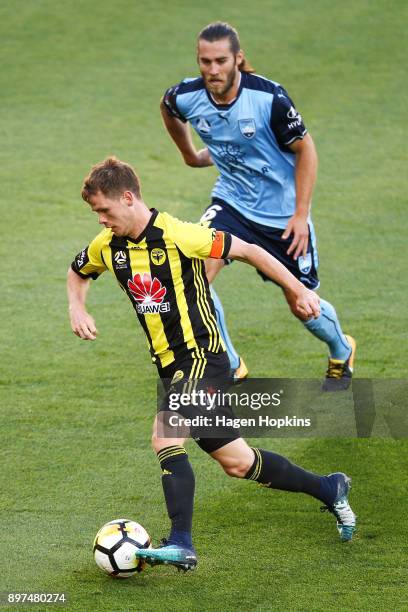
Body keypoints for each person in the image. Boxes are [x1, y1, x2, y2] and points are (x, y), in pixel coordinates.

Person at [67, 157, 356, 572]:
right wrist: (77, 308)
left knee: (164, 435)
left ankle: (182, 541)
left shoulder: (181, 235)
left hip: (204, 358)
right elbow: (78, 272)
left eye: (104, 210)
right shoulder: (107, 246)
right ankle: (330, 488)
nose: (100, 219)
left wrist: (296, 289)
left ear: (128, 198)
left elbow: (251, 250)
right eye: (95, 212)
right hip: (171, 368)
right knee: (238, 462)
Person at [161, 21, 356, 390]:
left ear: (238, 58)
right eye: (205, 61)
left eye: (220, 61)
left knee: (301, 304)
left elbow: (306, 150)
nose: (212, 70)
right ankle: (233, 367)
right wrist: (189, 155)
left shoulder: (269, 99)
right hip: (231, 204)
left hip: (282, 217)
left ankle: (341, 348)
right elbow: (168, 107)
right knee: (194, 278)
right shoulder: (187, 95)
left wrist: (301, 215)